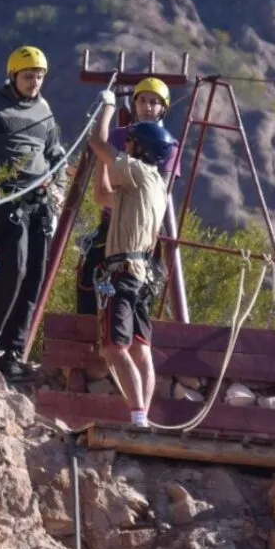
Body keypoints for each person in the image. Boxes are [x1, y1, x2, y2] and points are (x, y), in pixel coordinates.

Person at [0, 45, 67, 382]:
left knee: (34, 275)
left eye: (39, 76)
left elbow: (56, 153)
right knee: (14, 269)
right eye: (28, 76)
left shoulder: (45, 111)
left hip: (39, 201)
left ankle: (13, 351)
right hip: (7, 199)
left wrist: (59, 186)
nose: (34, 82)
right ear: (13, 76)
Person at [87, 90, 173, 427]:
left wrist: (108, 106)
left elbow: (97, 139)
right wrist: (102, 164)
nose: (127, 147)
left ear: (140, 149)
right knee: (140, 349)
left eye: (131, 144)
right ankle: (143, 416)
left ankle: (138, 418)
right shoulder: (151, 187)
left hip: (121, 271)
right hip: (139, 275)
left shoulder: (137, 171)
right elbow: (101, 196)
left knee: (115, 349)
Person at [76, 77, 179, 316]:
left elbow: (156, 189)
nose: (147, 106)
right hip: (111, 222)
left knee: (132, 298)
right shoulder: (119, 136)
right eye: (142, 100)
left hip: (140, 229)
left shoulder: (167, 144)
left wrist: (108, 108)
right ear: (135, 104)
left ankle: (119, 346)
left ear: (163, 107)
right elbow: (103, 190)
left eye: (154, 102)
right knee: (88, 281)